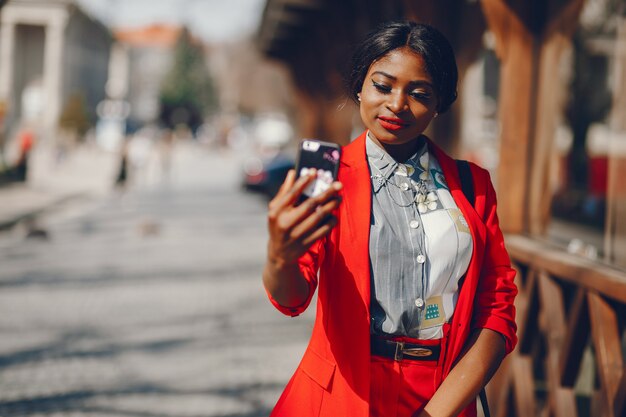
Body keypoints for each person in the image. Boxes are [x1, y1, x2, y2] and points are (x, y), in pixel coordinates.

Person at [263, 21, 517, 417]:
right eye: (383, 86)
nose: (397, 104)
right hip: (342, 393)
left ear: (440, 102)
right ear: (360, 87)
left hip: (443, 393)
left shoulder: (473, 186)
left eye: (418, 93)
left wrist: (438, 412)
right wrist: (280, 256)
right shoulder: (327, 180)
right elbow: (292, 299)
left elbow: (497, 310)